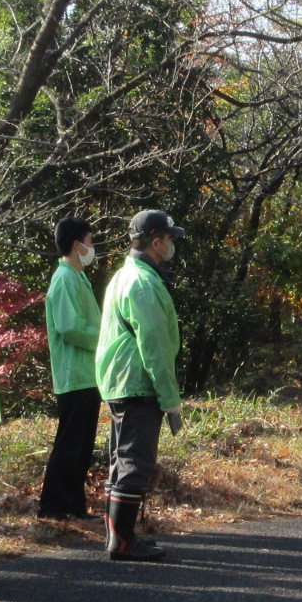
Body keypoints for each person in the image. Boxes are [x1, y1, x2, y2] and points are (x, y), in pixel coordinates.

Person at [95, 209, 186, 562]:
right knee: (135, 462)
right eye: (170, 239)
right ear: (157, 241)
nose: (173, 246)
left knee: (122, 460)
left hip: (121, 381)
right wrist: (170, 398)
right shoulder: (143, 282)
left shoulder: (126, 275)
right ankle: (122, 540)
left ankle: (118, 536)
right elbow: (154, 344)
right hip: (138, 383)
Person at [39, 216, 102, 520]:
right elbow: (69, 327)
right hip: (74, 375)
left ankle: (74, 506)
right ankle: (53, 507)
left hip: (87, 375)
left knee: (81, 446)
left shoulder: (77, 277)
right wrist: (106, 339)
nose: (93, 247)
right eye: (90, 241)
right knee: (70, 444)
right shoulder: (64, 277)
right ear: (77, 244)